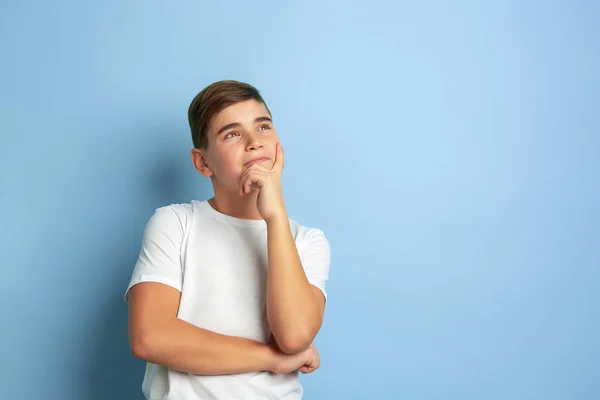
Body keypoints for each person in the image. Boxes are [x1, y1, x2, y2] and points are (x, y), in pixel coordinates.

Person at [124, 80, 331, 399]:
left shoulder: (307, 241)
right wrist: (272, 359)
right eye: (232, 133)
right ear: (202, 162)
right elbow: (150, 337)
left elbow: (294, 337)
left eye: (263, 127)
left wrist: (275, 218)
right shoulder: (176, 224)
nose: (254, 142)